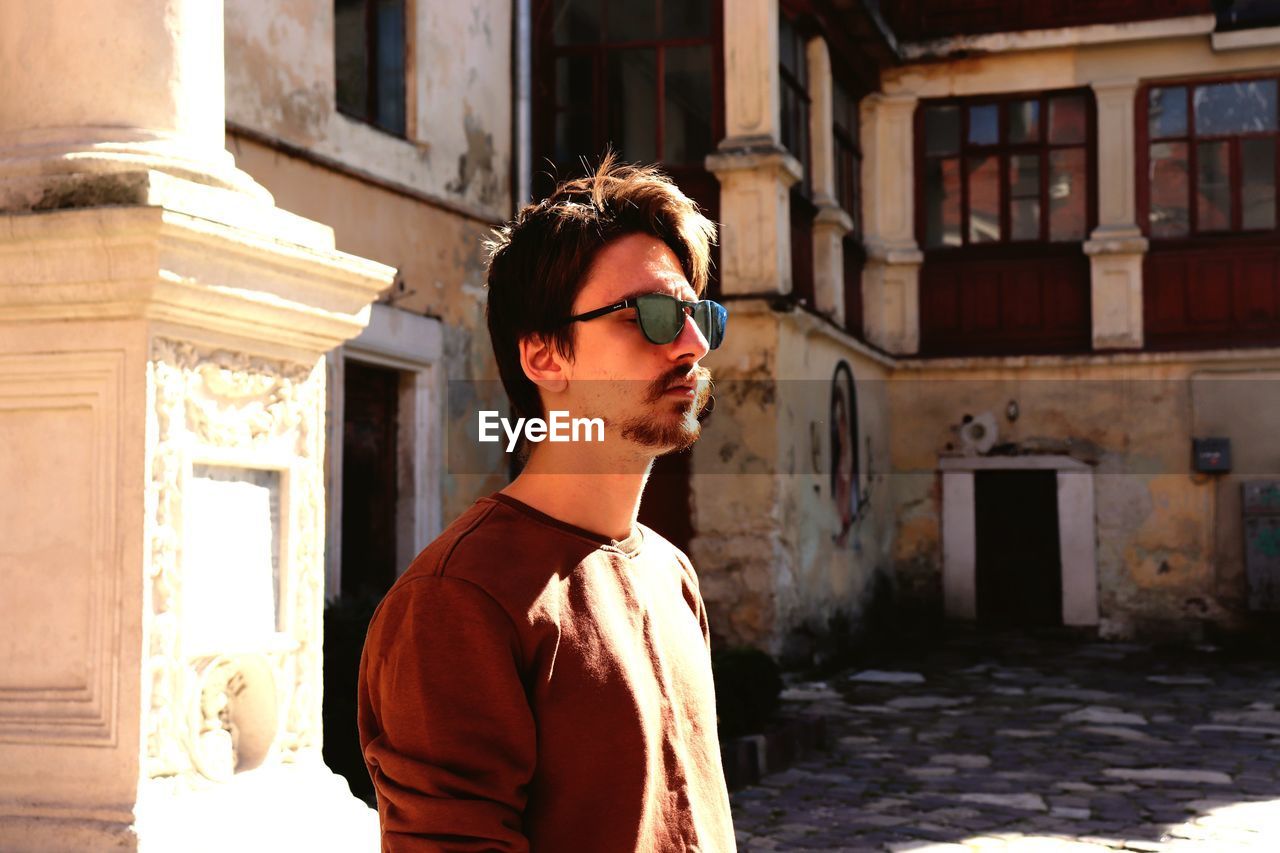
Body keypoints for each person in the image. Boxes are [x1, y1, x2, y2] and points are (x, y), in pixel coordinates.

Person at [357, 157, 736, 852]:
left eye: (698, 313)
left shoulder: (671, 573)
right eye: (651, 316)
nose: (694, 344)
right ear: (545, 358)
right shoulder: (457, 601)